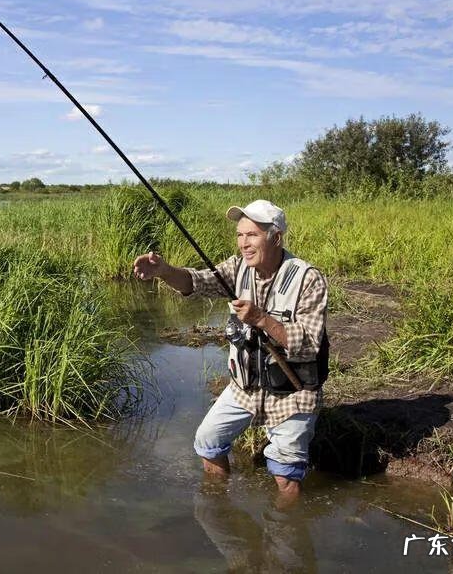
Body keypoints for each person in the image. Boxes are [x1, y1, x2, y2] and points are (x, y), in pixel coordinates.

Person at [133, 199, 328, 501]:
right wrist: (164, 271)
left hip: (293, 392)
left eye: (252, 235)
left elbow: (310, 343)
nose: (243, 244)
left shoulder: (308, 278)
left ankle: (285, 536)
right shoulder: (237, 267)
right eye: (239, 235)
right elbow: (198, 282)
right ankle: (221, 504)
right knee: (207, 441)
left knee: (285, 473)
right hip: (244, 388)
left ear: (276, 238)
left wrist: (261, 318)